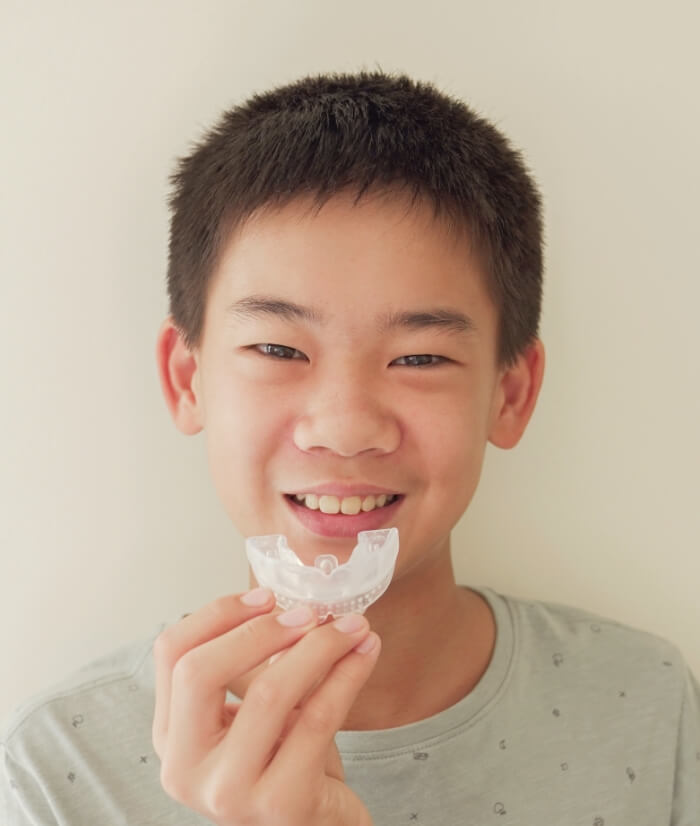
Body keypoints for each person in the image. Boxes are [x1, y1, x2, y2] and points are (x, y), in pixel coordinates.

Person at [2, 70, 698, 825]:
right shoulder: (59, 767)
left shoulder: (645, 704)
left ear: (510, 393)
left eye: (420, 358)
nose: (343, 426)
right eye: (276, 348)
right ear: (187, 379)